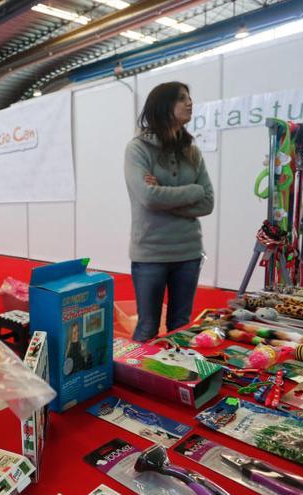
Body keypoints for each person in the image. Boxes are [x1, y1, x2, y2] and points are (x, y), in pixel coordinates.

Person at [124, 82, 214, 342]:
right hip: (150, 253)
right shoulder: (137, 149)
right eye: (182, 98)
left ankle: (174, 379)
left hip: (188, 252)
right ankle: (139, 377)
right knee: (147, 327)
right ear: (163, 106)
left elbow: (207, 202)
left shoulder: (192, 152)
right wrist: (193, 190)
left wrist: (165, 192)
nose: (190, 103)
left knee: (180, 326)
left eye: (189, 97)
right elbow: (149, 198)